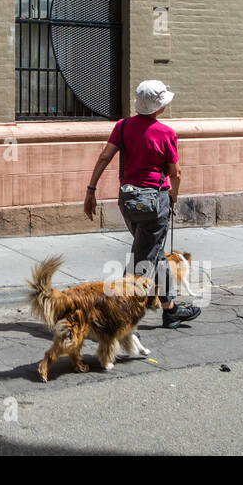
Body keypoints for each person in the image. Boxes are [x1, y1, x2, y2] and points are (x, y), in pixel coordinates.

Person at [82, 80, 201, 329]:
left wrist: (91, 190)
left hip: (128, 201)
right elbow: (175, 173)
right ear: (158, 107)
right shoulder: (166, 133)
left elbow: (105, 156)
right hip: (154, 202)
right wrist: (174, 195)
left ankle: (170, 310)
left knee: (154, 254)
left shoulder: (123, 126)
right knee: (142, 261)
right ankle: (114, 314)